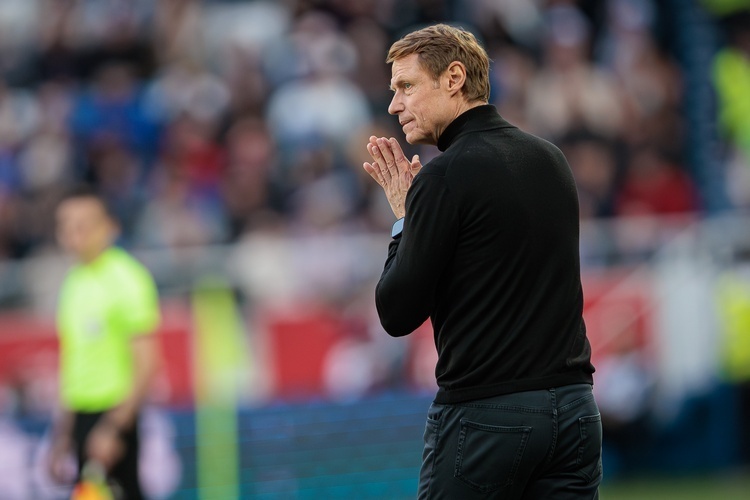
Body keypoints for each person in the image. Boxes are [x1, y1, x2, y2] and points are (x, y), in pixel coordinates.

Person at [363, 24, 602, 499]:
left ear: (453, 78)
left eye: (406, 86)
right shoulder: (551, 159)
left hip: (486, 415)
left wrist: (405, 220)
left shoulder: (443, 177)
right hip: (576, 410)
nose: (394, 105)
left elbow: (396, 312)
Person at [47, 185, 161, 499]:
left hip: (113, 412)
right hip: (82, 413)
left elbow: (147, 363)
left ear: (109, 227)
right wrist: (63, 434)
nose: (75, 234)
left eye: (84, 225)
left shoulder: (128, 279)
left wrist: (114, 427)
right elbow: (73, 364)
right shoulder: (73, 282)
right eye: (67, 226)